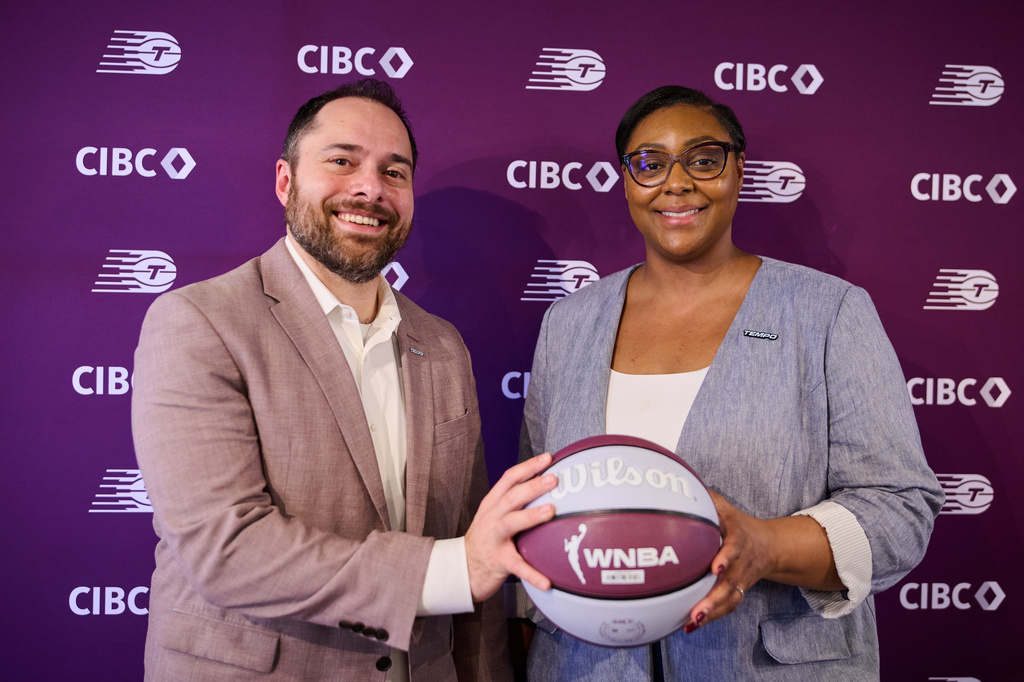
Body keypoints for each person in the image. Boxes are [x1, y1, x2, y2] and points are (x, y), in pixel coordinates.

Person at [131, 78, 557, 681]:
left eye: (395, 172)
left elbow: (474, 546)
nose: (370, 188)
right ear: (285, 181)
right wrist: (449, 571)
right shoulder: (199, 323)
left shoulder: (442, 345)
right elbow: (224, 549)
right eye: (342, 161)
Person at [517, 85, 943, 680]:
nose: (677, 182)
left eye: (703, 158)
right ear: (625, 181)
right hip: (585, 666)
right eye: (649, 163)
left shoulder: (826, 312)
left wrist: (767, 546)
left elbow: (901, 509)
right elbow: (532, 508)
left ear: (738, 171)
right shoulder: (568, 323)